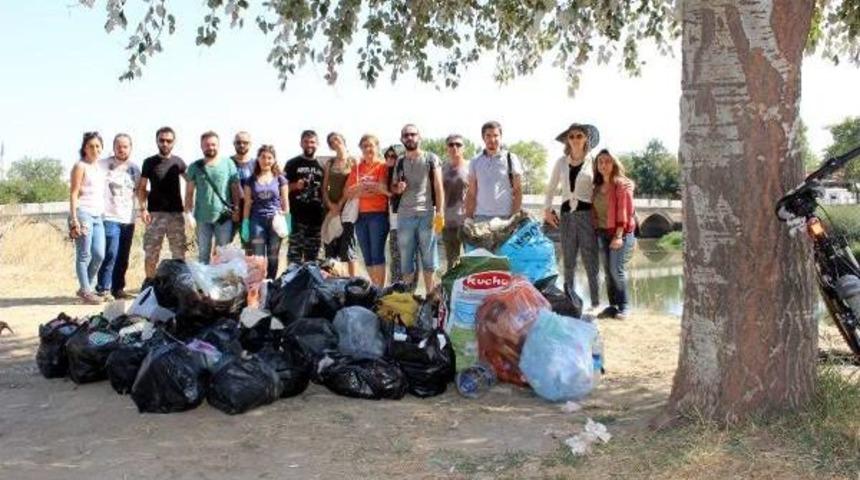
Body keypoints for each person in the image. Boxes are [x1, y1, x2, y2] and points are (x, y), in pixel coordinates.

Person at [544, 122, 601, 311]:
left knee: (590, 260)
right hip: (567, 216)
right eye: (571, 136)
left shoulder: (594, 162)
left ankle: (595, 303)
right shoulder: (561, 162)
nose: (575, 139)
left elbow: (604, 184)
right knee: (568, 261)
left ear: (586, 139)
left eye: (579, 136)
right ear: (567, 140)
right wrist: (547, 210)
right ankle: (570, 301)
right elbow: (551, 188)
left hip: (587, 215)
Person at [389, 124, 444, 293]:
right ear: (401, 139)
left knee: (429, 261)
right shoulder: (399, 161)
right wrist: (398, 188)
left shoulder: (431, 158)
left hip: (426, 215)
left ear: (419, 137)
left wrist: (440, 213)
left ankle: (430, 298)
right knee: (406, 262)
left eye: (413, 134)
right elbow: (393, 187)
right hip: (404, 217)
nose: (409, 138)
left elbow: (438, 187)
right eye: (406, 135)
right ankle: (408, 299)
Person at [137, 126, 187, 284]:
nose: (165, 144)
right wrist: (143, 209)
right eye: (162, 140)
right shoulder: (149, 162)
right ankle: (150, 285)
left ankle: (179, 285)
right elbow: (142, 187)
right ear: (157, 141)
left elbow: (191, 182)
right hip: (155, 214)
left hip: (176, 214)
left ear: (174, 142)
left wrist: (189, 206)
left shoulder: (178, 162)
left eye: (169, 141)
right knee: (151, 253)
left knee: (179, 253)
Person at [185, 131, 242, 264]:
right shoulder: (194, 166)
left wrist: (236, 209)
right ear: (201, 146)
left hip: (223, 217)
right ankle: (204, 278)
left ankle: (220, 278)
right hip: (201, 217)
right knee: (203, 255)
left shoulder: (228, 164)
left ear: (218, 145)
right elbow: (189, 192)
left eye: (213, 144)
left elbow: (235, 188)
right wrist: (188, 213)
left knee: (222, 256)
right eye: (207, 145)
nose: (210, 147)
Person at [592, 149, 636, 320]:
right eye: (600, 161)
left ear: (614, 164)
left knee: (616, 270)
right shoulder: (596, 187)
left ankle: (624, 307)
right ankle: (612, 306)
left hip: (620, 233)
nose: (603, 164)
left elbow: (624, 211)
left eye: (607, 161)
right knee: (607, 272)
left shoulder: (622, 185)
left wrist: (618, 236)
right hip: (603, 233)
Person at [96, 133, 140, 299]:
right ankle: (103, 288)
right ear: (114, 147)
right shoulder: (102, 165)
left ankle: (118, 288)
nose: (122, 149)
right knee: (110, 253)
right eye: (119, 146)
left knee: (123, 256)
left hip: (128, 218)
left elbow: (140, 192)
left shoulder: (135, 169)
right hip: (109, 216)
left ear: (130, 148)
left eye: (125, 146)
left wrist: (144, 209)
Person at [346, 134, 390, 287]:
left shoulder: (382, 166)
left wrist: (360, 189)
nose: (368, 149)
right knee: (367, 256)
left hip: (378, 215)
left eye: (371, 145)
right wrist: (368, 189)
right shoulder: (357, 168)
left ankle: (380, 290)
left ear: (377, 147)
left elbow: (382, 188)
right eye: (364, 146)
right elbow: (348, 192)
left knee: (377, 254)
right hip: (360, 216)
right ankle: (375, 287)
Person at [69, 131, 107, 304]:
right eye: (91, 146)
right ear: (84, 148)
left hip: (98, 215)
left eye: (98, 146)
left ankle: (85, 287)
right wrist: (74, 218)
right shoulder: (80, 166)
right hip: (83, 212)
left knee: (99, 254)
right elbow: (74, 193)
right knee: (84, 254)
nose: (94, 149)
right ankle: (86, 290)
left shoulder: (100, 168)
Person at [241, 145, 289, 279]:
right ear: (258, 159)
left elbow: (285, 201)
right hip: (257, 222)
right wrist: (245, 223)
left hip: (275, 222)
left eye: (269, 158)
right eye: (263, 157)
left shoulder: (280, 179)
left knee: (273, 257)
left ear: (274, 160)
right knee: (258, 257)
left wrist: (287, 222)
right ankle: (257, 285)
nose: (266, 161)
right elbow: (247, 203)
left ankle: (271, 283)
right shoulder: (250, 180)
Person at [465, 121, 524, 221]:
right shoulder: (475, 161)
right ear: (483, 137)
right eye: (488, 136)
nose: (492, 139)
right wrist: (468, 217)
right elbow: (471, 193)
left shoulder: (511, 159)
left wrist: (514, 218)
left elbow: (518, 190)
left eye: (496, 135)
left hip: (505, 217)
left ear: (501, 137)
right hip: (481, 217)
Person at [284, 130, 326, 264]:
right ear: (301, 143)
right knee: (294, 256)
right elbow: (281, 188)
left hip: (316, 217)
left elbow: (326, 189)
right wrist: (296, 185)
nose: (309, 145)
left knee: (313, 257)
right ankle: (292, 277)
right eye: (306, 142)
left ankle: (310, 278)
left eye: (312, 142)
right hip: (296, 216)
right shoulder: (292, 163)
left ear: (317, 144)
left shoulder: (323, 165)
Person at [322, 132, 358, 275]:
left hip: (348, 209)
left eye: (337, 139)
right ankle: (332, 281)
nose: (335, 142)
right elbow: (324, 187)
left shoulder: (353, 161)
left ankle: (353, 282)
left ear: (343, 140)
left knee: (348, 248)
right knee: (330, 247)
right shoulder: (329, 163)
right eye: (331, 142)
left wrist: (340, 204)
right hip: (331, 210)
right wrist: (330, 205)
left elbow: (354, 185)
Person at [441, 133, 469, 269]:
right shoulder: (442, 169)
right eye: (451, 144)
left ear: (464, 148)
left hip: (467, 222)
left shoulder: (471, 167)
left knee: (471, 262)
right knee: (452, 265)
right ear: (446, 148)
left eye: (458, 144)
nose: (454, 147)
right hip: (447, 222)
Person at [231, 131, 255, 249]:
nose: (242, 145)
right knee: (221, 249)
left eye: (245, 142)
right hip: (230, 213)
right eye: (238, 142)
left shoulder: (256, 164)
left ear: (250, 144)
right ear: (234, 144)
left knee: (249, 249)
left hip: (250, 214)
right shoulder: (227, 163)